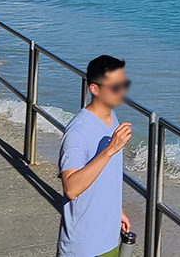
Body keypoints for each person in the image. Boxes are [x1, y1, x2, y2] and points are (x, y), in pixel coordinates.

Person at [57, 55, 133, 257]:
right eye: (115, 87)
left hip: (109, 239)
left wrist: (116, 211)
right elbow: (71, 188)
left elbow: (105, 177)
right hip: (83, 247)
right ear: (94, 89)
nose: (122, 92)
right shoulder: (78, 132)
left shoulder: (111, 118)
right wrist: (109, 150)